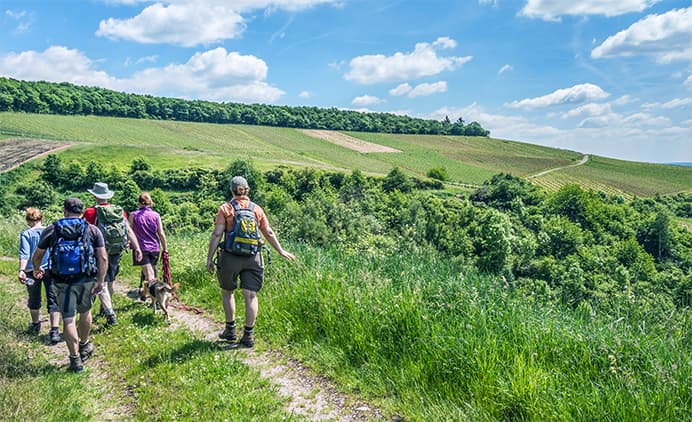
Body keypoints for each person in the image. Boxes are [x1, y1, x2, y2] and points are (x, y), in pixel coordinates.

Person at [206, 176, 295, 347]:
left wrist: (209, 258)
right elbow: (268, 232)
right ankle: (248, 335)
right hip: (253, 257)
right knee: (251, 295)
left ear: (231, 190)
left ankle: (230, 330)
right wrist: (281, 250)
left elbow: (217, 234)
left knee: (227, 292)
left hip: (230, 257)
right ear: (247, 190)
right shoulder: (257, 209)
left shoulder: (225, 208)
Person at [32, 198, 107, 372]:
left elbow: (38, 254)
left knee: (68, 319)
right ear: (81, 211)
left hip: (61, 280)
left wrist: (36, 269)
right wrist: (100, 280)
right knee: (85, 312)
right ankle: (84, 344)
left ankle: (75, 360)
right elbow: (102, 257)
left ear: (65, 210)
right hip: (86, 278)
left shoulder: (52, 229)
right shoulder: (91, 229)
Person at [83, 182, 142, 325]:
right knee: (110, 280)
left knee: (98, 281)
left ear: (94, 196)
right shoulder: (119, 211)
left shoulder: (90, 212)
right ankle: (106, 308)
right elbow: (128, 230)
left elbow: (83, 232)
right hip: (116, 250)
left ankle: (107, 312)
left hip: (97, 251)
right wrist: (137, 247)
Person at [18, 207, 61, 344]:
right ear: (41, 218)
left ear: (27, 220)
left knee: (34, 297)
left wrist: (22, 270)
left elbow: (24, 254)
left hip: (31, 270)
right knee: (53, 298)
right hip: (50, 269)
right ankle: (54, 330)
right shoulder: (49, 231)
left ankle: (36, 325)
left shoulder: (26, 234)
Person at [128, 192, 168, 287]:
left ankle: (155, 294)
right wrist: (165, 248)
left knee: (149, 273)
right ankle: (145, 291)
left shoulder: (133, 215)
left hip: (140, 248)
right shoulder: (156, 215)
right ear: (150, 202)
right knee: (151, 269)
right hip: (155, 248)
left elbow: (129, 231)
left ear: (139, 202)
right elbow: (161, 233)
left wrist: (128, 242)